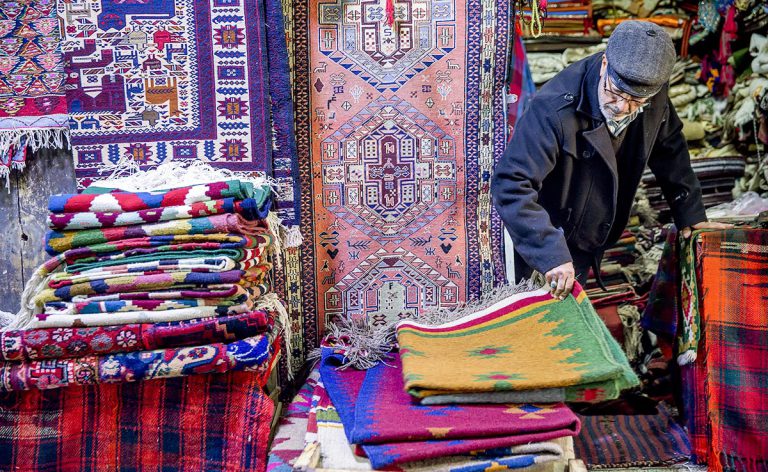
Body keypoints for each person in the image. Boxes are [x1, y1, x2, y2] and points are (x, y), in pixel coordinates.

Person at [491, 20, 730, 300]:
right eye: (615, 93)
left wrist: (691, 213)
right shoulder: (553, 108)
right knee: (538, 316)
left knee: (571, 311)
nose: (622, 107)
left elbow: (669, 148)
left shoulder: (651, 89)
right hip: (548, 234)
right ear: (605, 64)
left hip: (590, 233)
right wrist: (550, 253)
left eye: (635, 101)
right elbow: (511, 184)